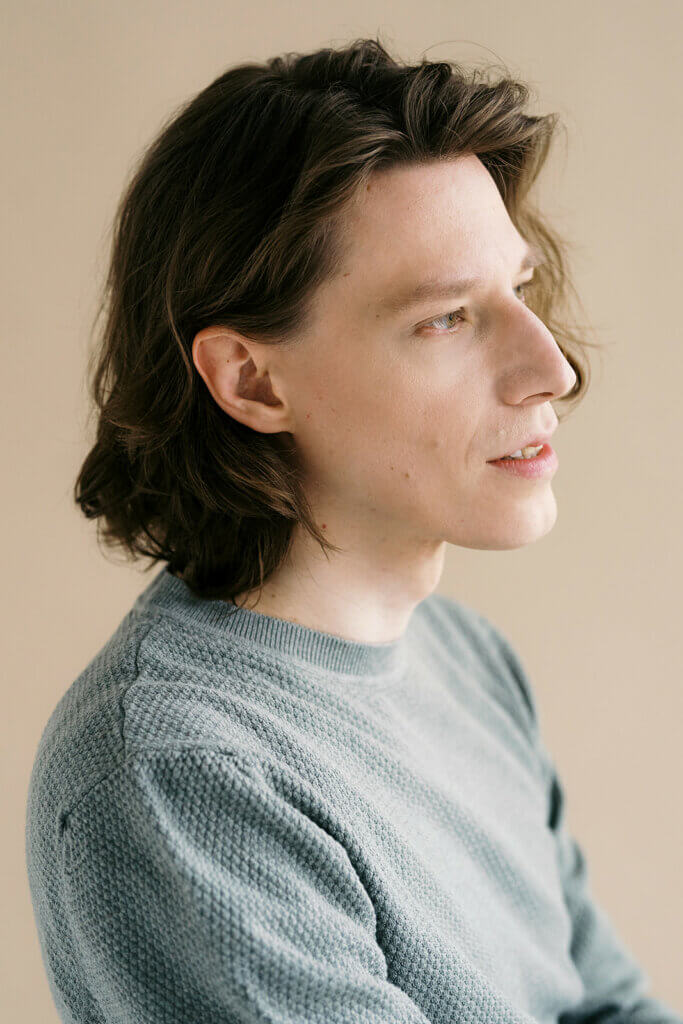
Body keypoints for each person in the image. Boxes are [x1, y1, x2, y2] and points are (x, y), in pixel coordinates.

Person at [25, 35, 682, 1024]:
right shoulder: (181, 770)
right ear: (252, 380)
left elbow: (603, 1006)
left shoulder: (464, 657)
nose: (550, 369)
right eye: (445, 318)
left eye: (518, 289)